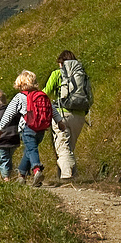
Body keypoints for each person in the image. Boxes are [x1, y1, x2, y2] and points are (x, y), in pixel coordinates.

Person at [0, 70, 64, 187]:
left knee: (31, 150)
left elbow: (9, 113)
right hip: (41, 128)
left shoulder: (20, 97)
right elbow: (51, 108)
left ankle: (37, 170)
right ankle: (21, 176)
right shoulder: (42, 95)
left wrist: (1, 127)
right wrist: (59, 121)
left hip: (27, 128)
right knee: (29, 150)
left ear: (21, 84)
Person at [42, 50, 88, 185]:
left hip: (62, 115)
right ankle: (73, 175)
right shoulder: (82, 75)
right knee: (69, 148)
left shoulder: (57, 74)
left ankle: (67, 179)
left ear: (61, 63)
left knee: (62, 148)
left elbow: (45, 93)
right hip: (79, 116)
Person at [0, 88, 21, 181]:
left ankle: (6, 178)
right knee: (9, 157)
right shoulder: (12, 111)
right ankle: (14, 173)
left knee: (3, 159)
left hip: (2, 140)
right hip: (14, 138)